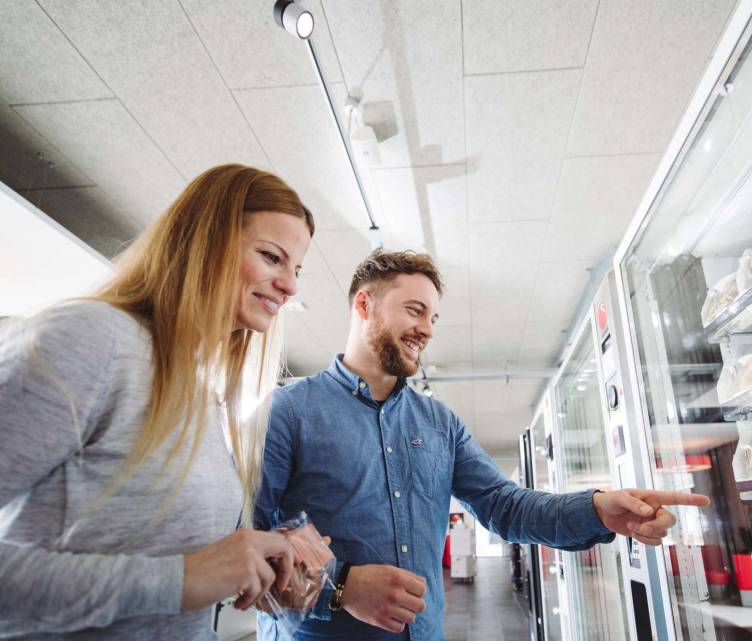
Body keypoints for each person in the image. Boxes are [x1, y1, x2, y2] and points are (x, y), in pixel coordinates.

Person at [256, 250, 710, 640]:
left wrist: (596, 509)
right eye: (414, 310)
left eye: (432, 317)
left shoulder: (439, 423)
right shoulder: (289, 411)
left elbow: (503, 505)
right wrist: (341, 588)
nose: (427, 329)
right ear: (364, 304)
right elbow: (248, 539)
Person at [0, 164, 315, 640]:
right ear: (205, 241)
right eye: (272, 257)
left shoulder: (197, 388)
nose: (290, 286)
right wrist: (182, 580)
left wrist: (250, 563)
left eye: (296, 269)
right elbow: (177, 579)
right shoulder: (92, 341)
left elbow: (166, 560)